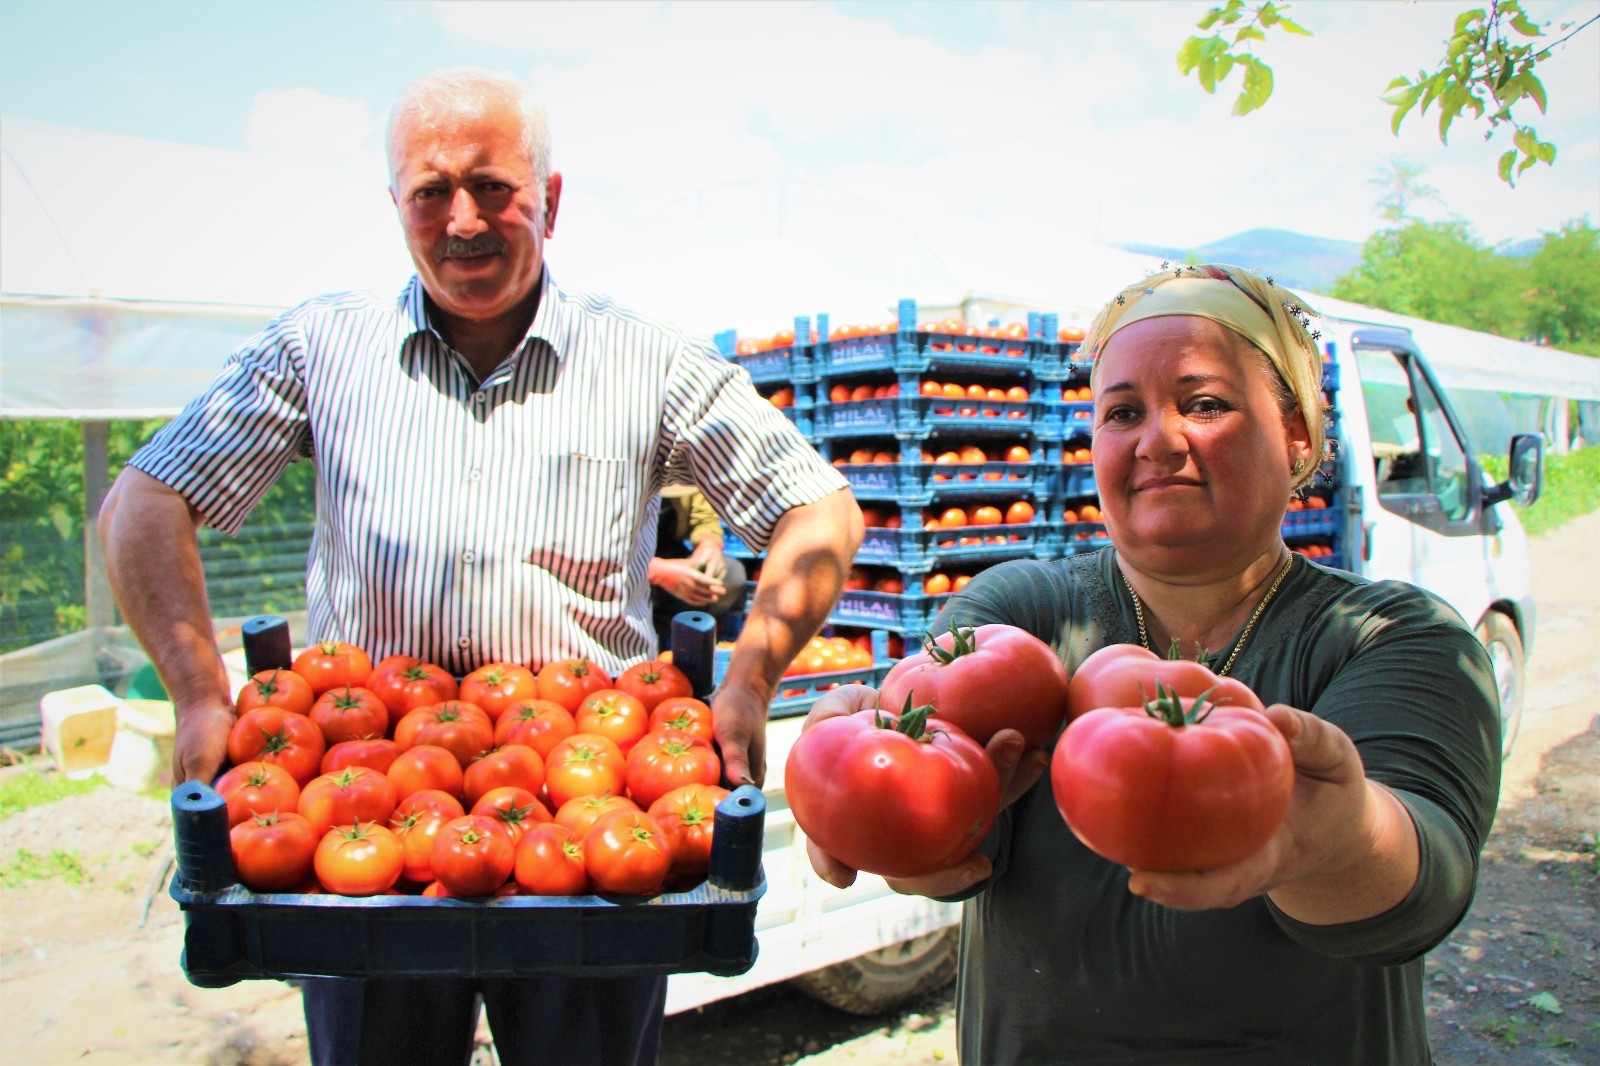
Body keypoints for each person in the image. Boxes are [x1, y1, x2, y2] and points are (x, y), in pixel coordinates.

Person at [97, 66, 862, 1066]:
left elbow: (819, 507)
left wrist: (752, 678)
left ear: (547, 200)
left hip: (594, 818)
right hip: (358, 809)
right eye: (430, 190)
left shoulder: (643, 359)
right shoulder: (320, 348)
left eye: (494, 186)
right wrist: (202, 698)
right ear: (396, 206)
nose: (463, 218)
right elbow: (143, 502)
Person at [802, 263, 1500, 1065]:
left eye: (1205, 404)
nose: (1157, 441)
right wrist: (879, 806)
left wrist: (1338, 840)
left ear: (1298, 432)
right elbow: (950, 846)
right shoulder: (1020, 614)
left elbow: (1427, 884)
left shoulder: (1389, 634)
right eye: (1122, 412)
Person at [649, 484, 748, 647]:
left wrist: (709, 545)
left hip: (670, 552)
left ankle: (683, 637)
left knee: (731, 574)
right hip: (618, 571)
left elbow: (705, 518)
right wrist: (655, 571)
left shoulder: (684, 469)